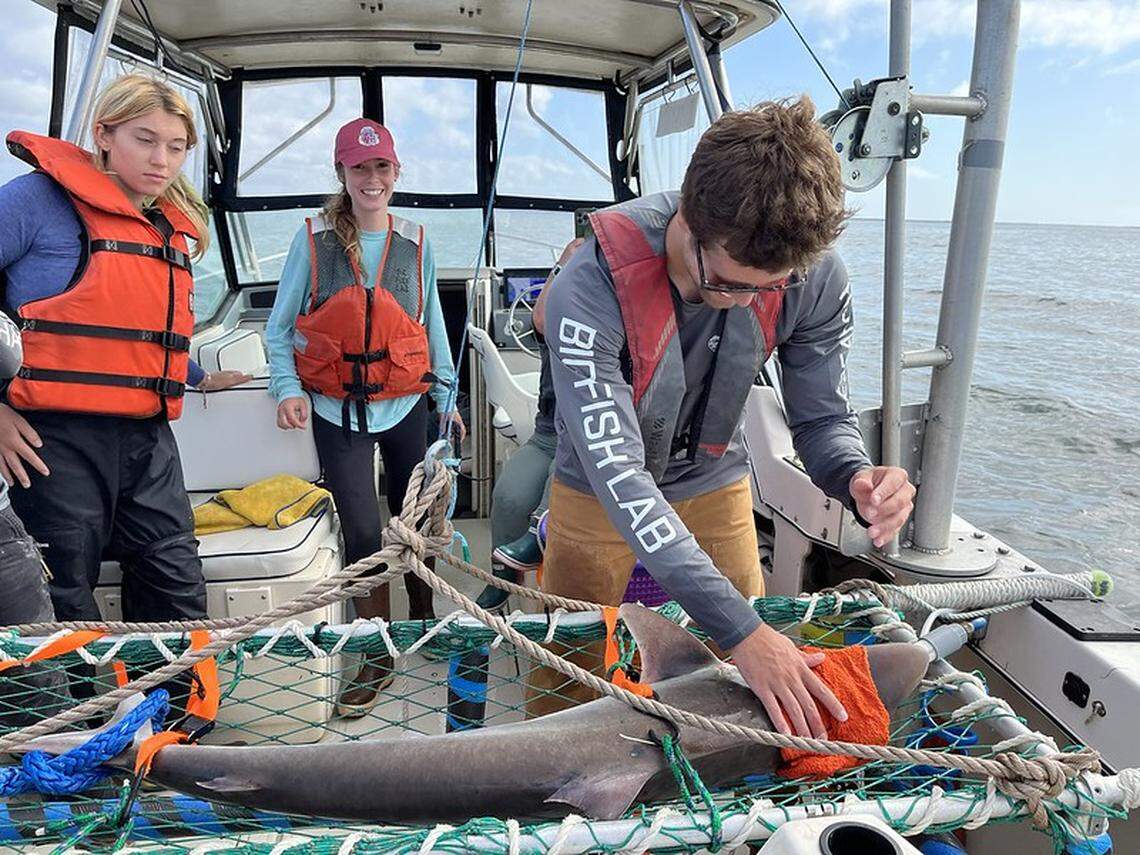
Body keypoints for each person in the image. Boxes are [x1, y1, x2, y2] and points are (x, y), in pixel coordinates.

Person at [532, 97, 917, 736]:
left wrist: (855, 477)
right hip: (599, 491)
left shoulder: (813, 280)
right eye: (728, 284)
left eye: (769, 289)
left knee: (749, 681)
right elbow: (622, 478)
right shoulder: (590, 283)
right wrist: (742, 629)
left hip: (715, 482)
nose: (745, 303)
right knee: (567, 675)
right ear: (687, 215)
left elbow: (822, 420)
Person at [0, 74, 244, 626]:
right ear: (104, 135)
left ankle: (182, 713)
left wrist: (199, 377)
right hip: (49, 441)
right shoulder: (33, 202)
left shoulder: (164, 226)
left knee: (177, 584)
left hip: (147, 441)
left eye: (177, 147)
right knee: (65, 600)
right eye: (145, 139)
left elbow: (138, 334)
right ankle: (94, 716)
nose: (162, 159)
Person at [267, 118, 462, 718]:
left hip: (406, 406)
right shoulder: (313, 239)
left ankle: (423, 620)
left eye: (381, 168)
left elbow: (430, 325)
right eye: (359, 169)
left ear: (396, 173)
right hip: (336, 409)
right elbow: (279, 330)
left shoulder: (419, 241)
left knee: (418, 522)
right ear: (342, 175)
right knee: (360, 533)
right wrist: (285, 389)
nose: (371, 179)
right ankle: (374, 648)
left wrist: (447, 399)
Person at [476, 237, 584, 611]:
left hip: (586, 440)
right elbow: (539, 318)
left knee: (561, 480)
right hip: (548, 433)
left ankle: (539, 549)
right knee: (508, 496)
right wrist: (563, 263)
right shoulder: (556, 316)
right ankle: (503, 580)